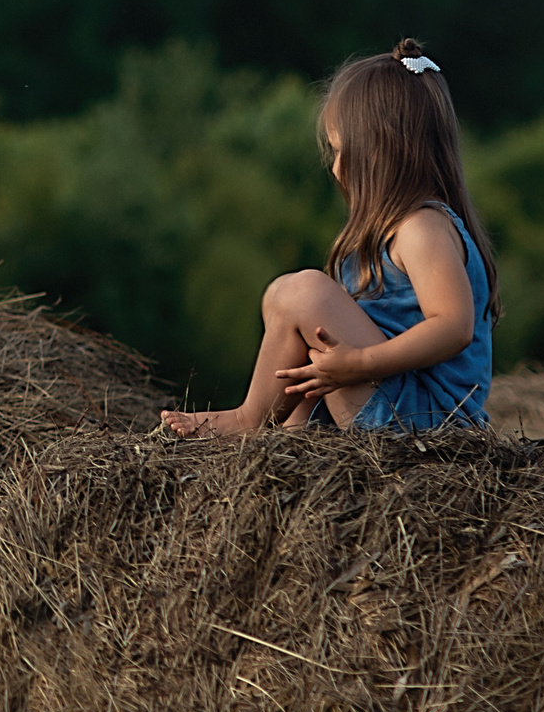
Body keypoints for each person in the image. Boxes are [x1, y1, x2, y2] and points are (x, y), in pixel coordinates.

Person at [161, 39, 500, 437]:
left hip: (427, 419)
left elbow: (454, 327)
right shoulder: (394, 230)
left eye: (342, 152)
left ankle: (247, 420)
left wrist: (360, 363)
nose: (336, 169)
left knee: (305, 292)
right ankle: (291, 430)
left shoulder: (422, 229)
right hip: (394, 400)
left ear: (383, 149)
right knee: (282, 297)